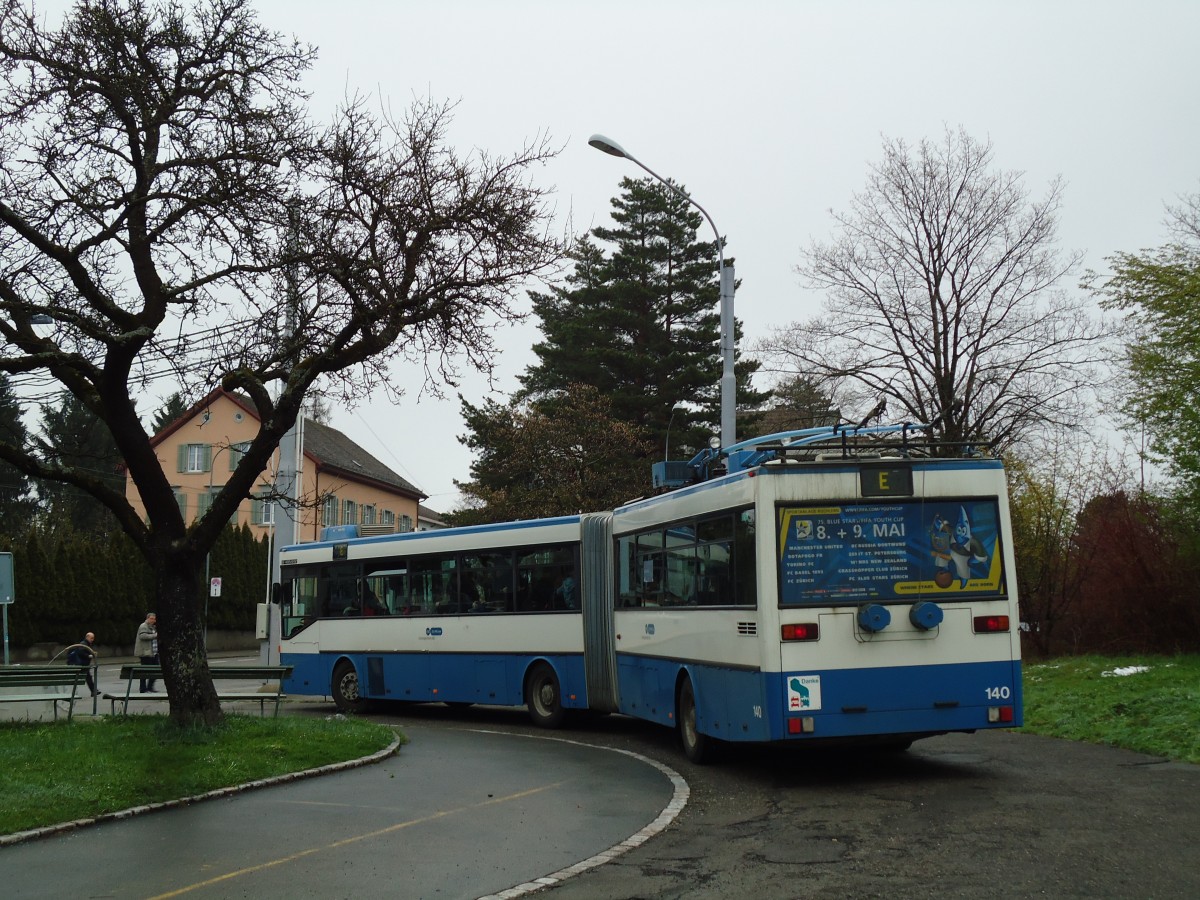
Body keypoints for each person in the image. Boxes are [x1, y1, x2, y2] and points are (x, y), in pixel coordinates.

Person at [67, 631, 98, 696]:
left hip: (82, 665)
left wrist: (92, 653)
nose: (92, 640)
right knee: (88, 677)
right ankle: (94, 691)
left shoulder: (85, 644)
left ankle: (94, 691)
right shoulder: (84, 643)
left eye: (93, 638)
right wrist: (89, 656)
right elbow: (80, 653)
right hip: (82, 665)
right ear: (87, 637)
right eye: (91, 638)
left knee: (88, 677)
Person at [134, 612, 159, 692]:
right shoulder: (143, 626)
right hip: (146, 653)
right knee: (145, 670)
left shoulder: (153, 627)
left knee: (156, 670)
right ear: (147, 618)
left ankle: (150, 687)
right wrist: (155, 635)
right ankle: (143, 688)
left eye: (154, 619)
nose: (153, 620)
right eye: (151, 618)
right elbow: (142, 636)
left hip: (153, 653)